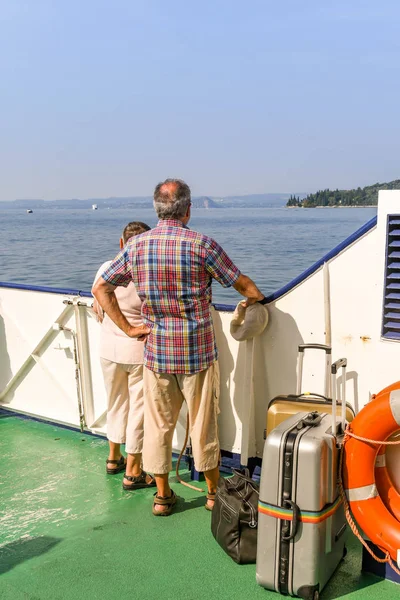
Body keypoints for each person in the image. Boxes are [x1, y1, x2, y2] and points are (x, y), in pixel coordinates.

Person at [93, 179, 265, 516]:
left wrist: (128, 328)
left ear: (157, 208)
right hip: (196, 354)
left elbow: (102, 288)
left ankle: (162, 497)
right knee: (202, 426)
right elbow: (239, 281)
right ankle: (214, 495)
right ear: (187, 210)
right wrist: (256, 298)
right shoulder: (202, 245)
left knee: (158, 426)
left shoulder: (136, 246)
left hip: (156, 354)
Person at [92, 221, 156, 491]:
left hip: (108, 349)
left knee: (116, 403)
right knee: (138, 411)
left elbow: (99, 299)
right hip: (138, 351)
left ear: (121, 243)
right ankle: (133, 471)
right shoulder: (148, 275)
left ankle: (113, 457)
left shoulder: (106, 269)